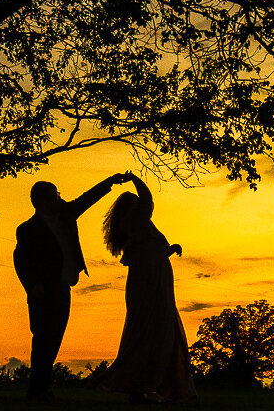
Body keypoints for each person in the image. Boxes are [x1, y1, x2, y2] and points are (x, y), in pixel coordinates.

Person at [14, 172, 129, 400]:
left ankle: (41, 389)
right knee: (42, 340)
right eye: (55, 195)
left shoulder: (66, 215)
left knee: (54, 339)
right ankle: (37, 390)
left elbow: (86, 199)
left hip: (63, 290)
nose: (60, 198)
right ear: (43, 201)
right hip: (42, 293)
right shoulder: (27, 229)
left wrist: (109, 182)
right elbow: (21, 260)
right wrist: (33, 285)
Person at [101, 171, 197, 402]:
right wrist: (134, 178)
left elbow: (148, 250)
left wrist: (169, 249)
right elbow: (147, 198)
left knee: (156, 330)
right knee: (153, 330)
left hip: (154, 281)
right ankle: (143, 385)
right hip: (150, 283)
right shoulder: (135, 221)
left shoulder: (139, 227)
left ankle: (149, 385)